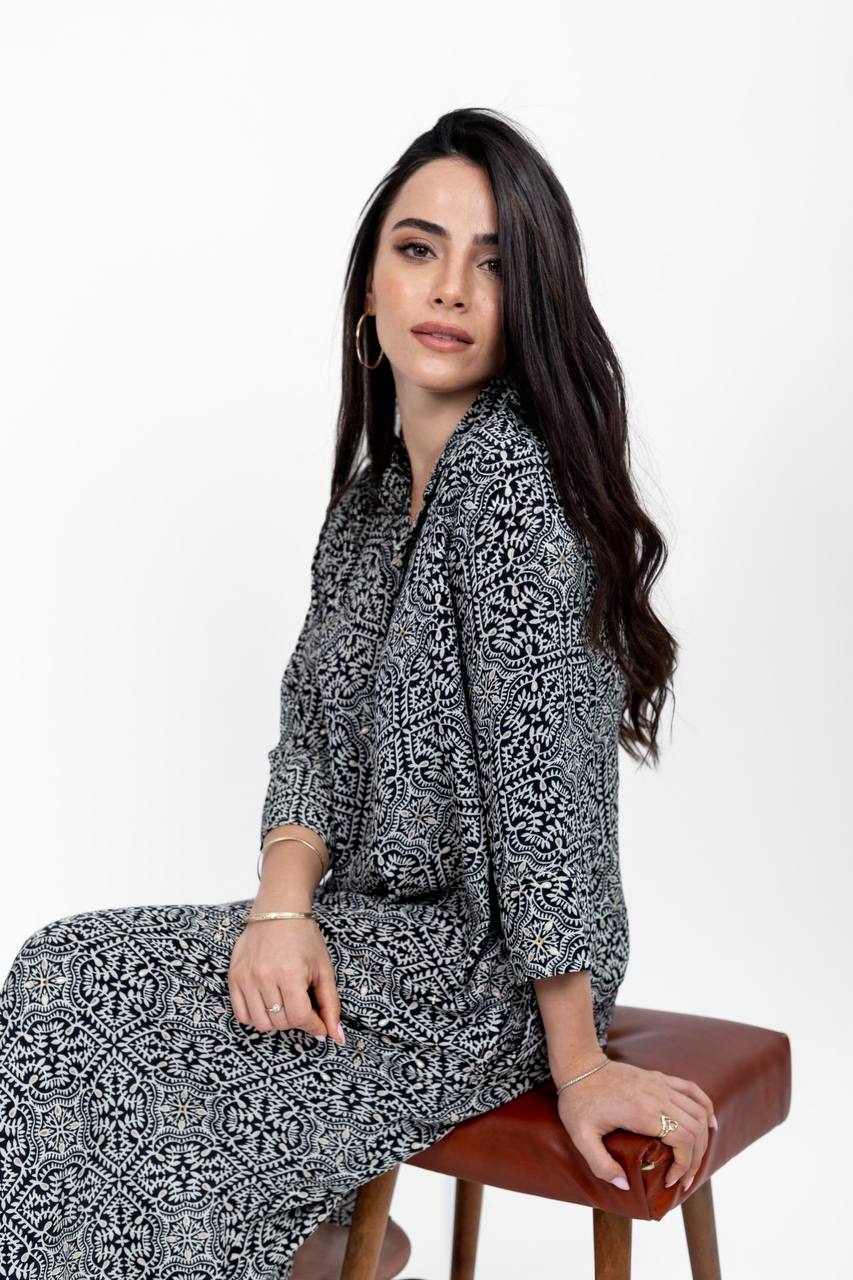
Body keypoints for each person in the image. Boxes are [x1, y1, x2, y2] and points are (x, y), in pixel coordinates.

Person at [0, 107, 716, 1280]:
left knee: (73, 979)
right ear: (367, 294)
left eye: (493, 264)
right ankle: (319, 1250)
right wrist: (279, 911)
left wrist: (580, 1060)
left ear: (528, 306)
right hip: (371, 935)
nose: (450, 288)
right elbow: (315, 737)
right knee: (68, 978)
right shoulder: (376, 504)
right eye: (419, 248)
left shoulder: (515, 487)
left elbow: (547, 801)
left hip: (495, 971)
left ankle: (313, 1253)